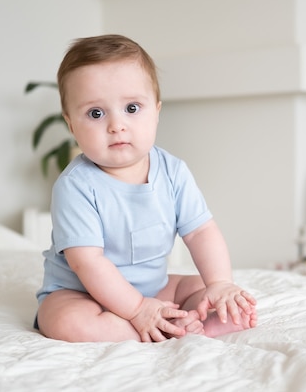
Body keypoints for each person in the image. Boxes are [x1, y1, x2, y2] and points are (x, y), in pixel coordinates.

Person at [35, 34, 257, 343]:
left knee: (198, 289)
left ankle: (188, 318)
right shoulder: (75, 187)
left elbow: (201, 232)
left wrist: (220, 283)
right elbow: (87, 263)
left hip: (154, 288)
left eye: (132, 108)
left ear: (156, 110)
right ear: (71, 124)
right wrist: (138, 309)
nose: (116, 125)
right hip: (83, 293)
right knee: (65, 321)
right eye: (96, 113)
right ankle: (159, 329)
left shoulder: (173, 171)